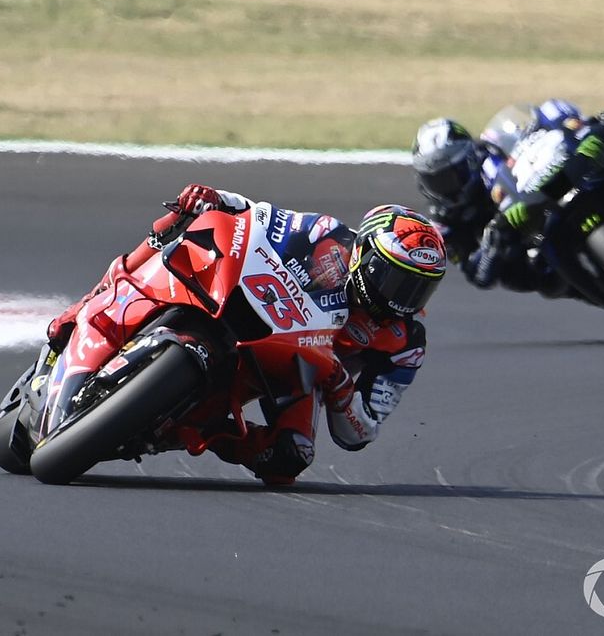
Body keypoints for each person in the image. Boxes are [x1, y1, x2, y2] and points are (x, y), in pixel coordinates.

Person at [46, 184, 446, 485]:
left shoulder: (404, 345)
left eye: (418, 288)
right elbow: (260, 215)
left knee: (290, 458)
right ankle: (88, 306)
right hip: (253, 304)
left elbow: (360, 432)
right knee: (178, 230)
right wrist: (215, 196)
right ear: (366, 256)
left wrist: (340, 386)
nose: (403, 299)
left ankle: (201, 429)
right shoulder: (325, 235)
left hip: (298, 371)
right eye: (396, 279)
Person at [411, 99, 604, 295]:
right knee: (529, 279)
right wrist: (492, 248)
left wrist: (575, 125)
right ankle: (588, 286)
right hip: (534, 248)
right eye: (435, 181)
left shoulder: (494, 149)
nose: (446, 187)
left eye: (450, 175)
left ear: (469, 160)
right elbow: (478, 275)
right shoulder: (445, 224)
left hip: (549, 191)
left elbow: (540, 127)